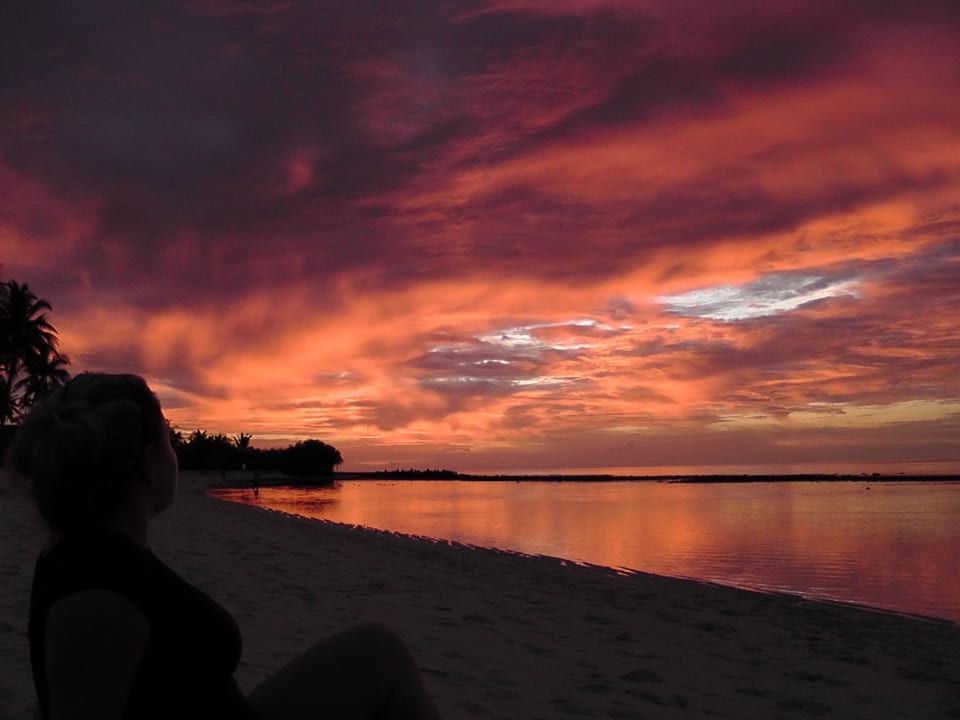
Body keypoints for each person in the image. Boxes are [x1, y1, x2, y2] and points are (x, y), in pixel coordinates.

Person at [6, 372, 443, 720]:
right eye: (169, 441)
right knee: (379, 652)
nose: (175, 453)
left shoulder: (95, 553)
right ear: (146, 466)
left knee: (376, 649)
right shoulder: (97, 589)